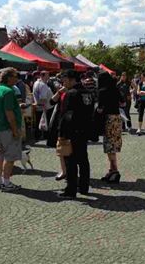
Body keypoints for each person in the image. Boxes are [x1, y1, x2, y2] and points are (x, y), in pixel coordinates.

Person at [54, 70, 94, 199]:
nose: (63, 83)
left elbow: (66, 116)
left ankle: (71, 190)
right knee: (83, 160)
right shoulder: (88, 92)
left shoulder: (71, 94)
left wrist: (62, 133)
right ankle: (84, 187)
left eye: (65, 80)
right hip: (85, 130)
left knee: (70, 161)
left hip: (72, 131)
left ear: (72, 79)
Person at [0, 67, 24, 192]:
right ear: (9, 77)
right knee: (10, 157)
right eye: (15, 76)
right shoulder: (9, 91)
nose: (17, 79)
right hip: (8, 129)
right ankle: (7, 183)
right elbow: (9, 113)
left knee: (0, 154)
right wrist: (15, 130)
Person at [97, 71, 124, 183]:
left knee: (109, 146)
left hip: (108, 120)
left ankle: (115, 171)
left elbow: (100, 109)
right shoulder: (115, 89)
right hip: (117, 118)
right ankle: (111, 170)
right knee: (113, 145)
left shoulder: (102, 91)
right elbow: (123, 103)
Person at [32, 71, 53, 140]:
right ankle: (44, 136)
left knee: (39, 121)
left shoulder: (37, 83)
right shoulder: (42, 85)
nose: (49, 76)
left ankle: (38, 135)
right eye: (48, 75)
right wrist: (44, 107)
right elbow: (43, 98)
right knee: (44, 122)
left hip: (39, 106)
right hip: (44, 106)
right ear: (43, 76)